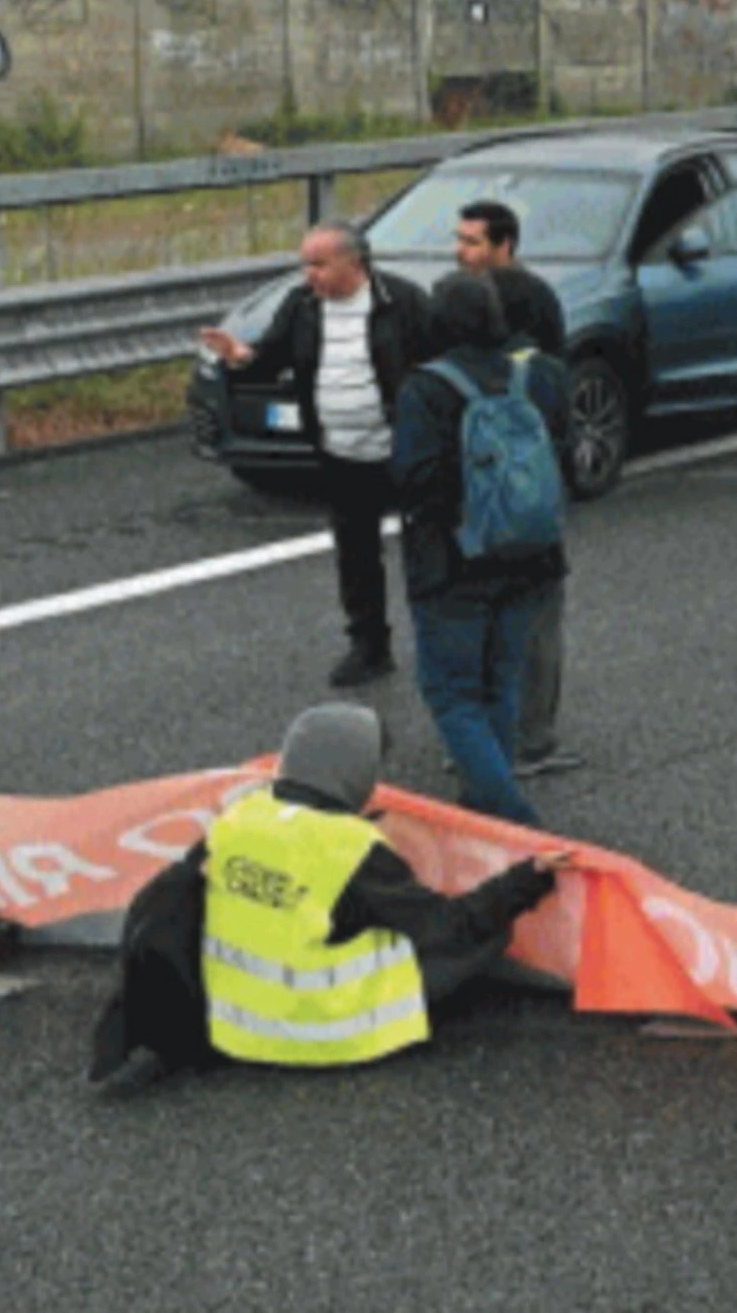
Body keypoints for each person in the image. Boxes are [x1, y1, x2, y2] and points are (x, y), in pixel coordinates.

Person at [89, 702, 569, 1082]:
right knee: (472, 935)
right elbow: (449, 927)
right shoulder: (351, 849)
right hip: (317, 1032)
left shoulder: (240, 819)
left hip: (232, 1026)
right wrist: (527, 878)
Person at [199, 223, 432, 688]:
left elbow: (435, 363)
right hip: (340, 452)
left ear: (355, 263)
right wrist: (240, 355)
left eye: (320, 264)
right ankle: (369, 646)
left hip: (403, 450)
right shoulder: (302, 307)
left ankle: (440, 643)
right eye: (305, 264)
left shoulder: (403, 302)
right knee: (356, 553)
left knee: (427, 549)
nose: (310, 275)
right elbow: (271, 357)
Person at [392, 273, 573, 827]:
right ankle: (486, 801)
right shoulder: (542, 374)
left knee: (452, 694)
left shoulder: (425, 388)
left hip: (454, 563)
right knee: (502, 679)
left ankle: (514, 817)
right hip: (533, 555)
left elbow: (415, 478)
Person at [453, 200, 580, 778]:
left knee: (486, 621)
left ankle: (485, 739)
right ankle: (532, 742)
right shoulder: (539, 360)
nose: (462, 252)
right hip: (527, 508)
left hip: (476, 510)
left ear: (504, 245)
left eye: (473, 242)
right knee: (531, 623)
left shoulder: (456, 360)